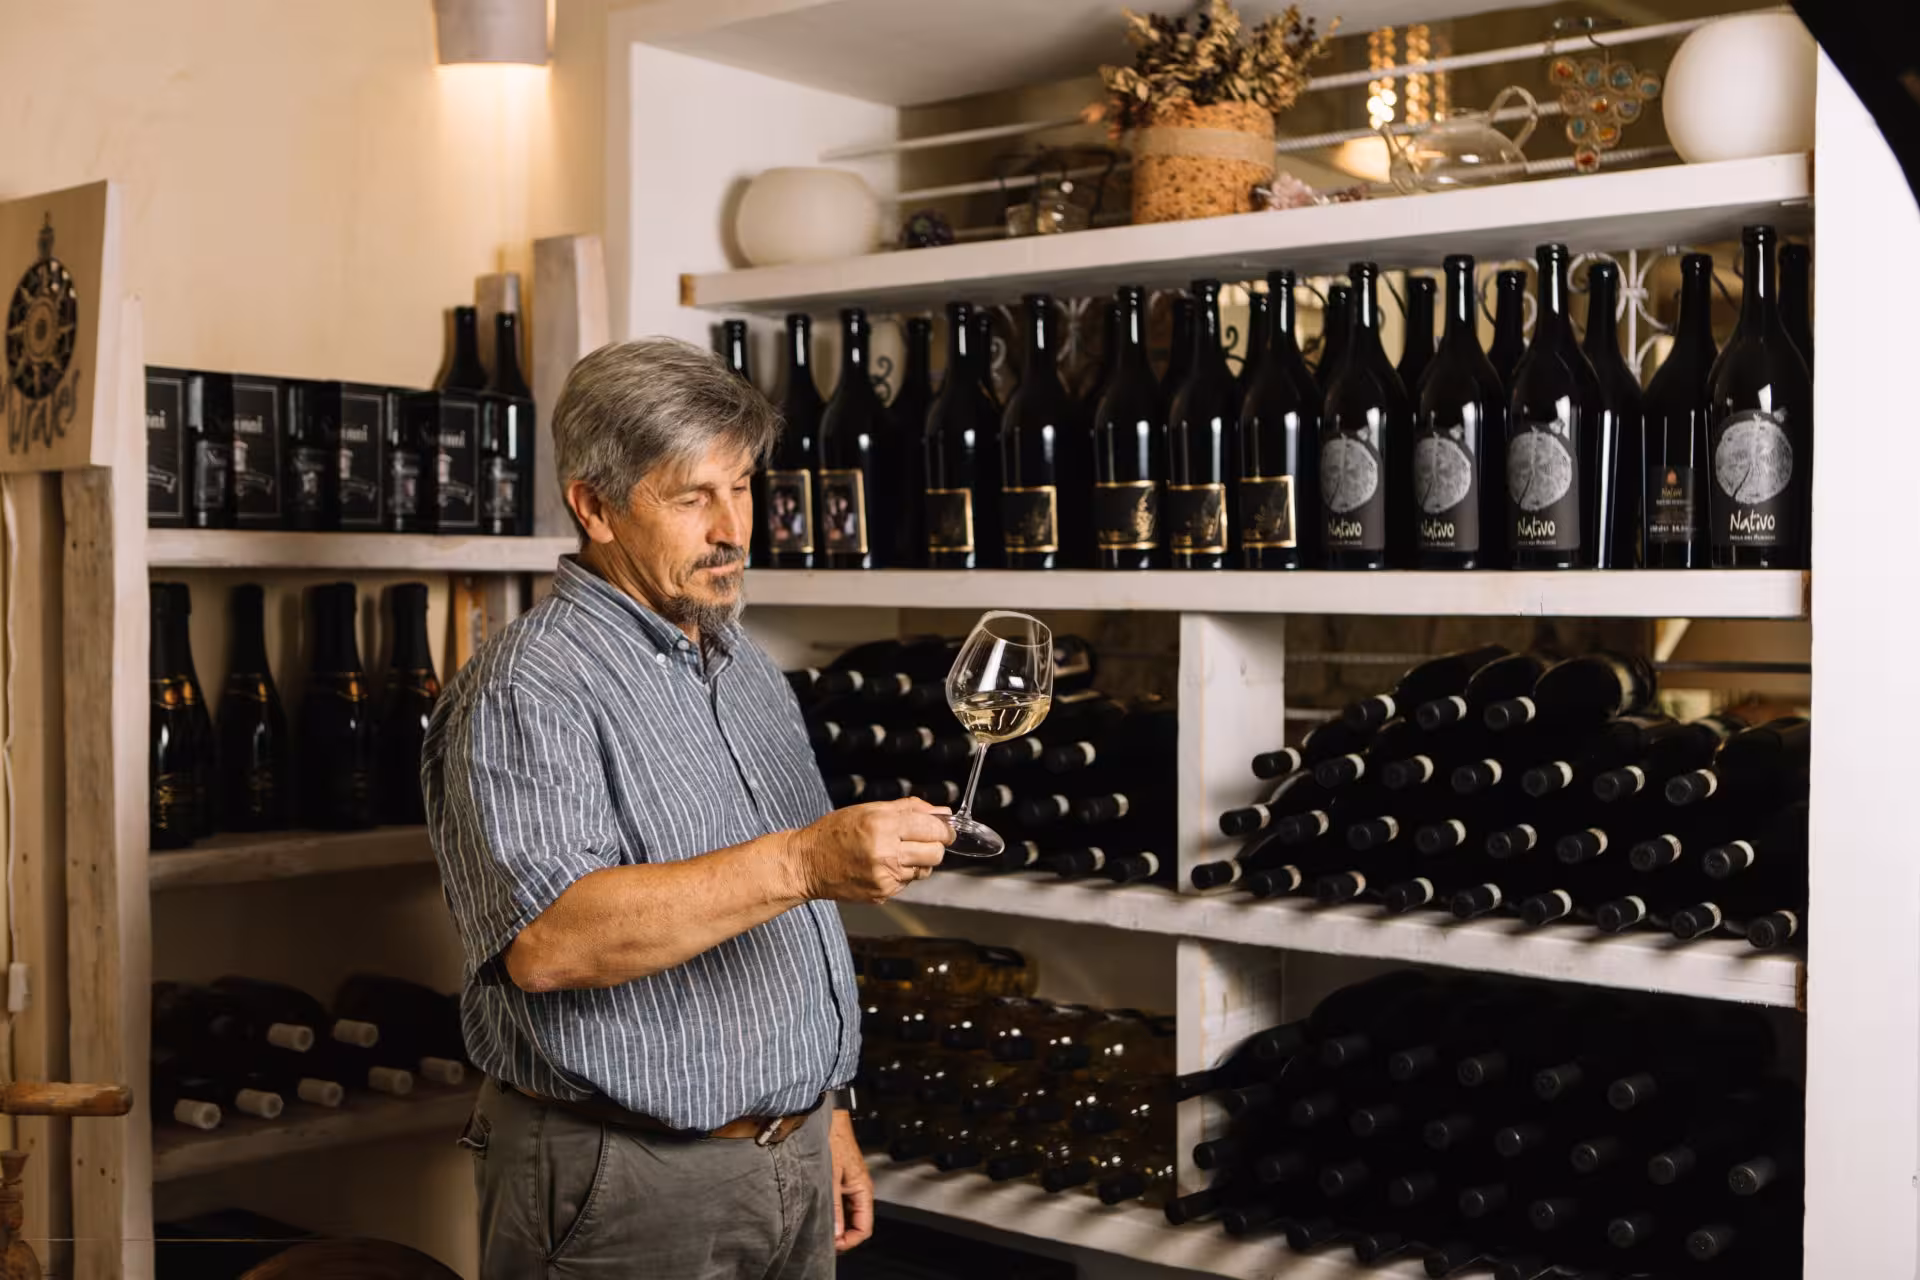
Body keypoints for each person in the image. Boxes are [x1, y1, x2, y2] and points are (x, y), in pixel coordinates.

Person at [423, 338, 954, 1279]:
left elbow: (789, 932)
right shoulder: (527, 687)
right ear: (595, 505)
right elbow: (550, 945)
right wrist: (803, 862)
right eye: (691, 497)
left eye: (742, 487)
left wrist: (824, 1107)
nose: (734, 528)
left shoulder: (742, 662)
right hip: (623, 1176)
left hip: (783, 1154)